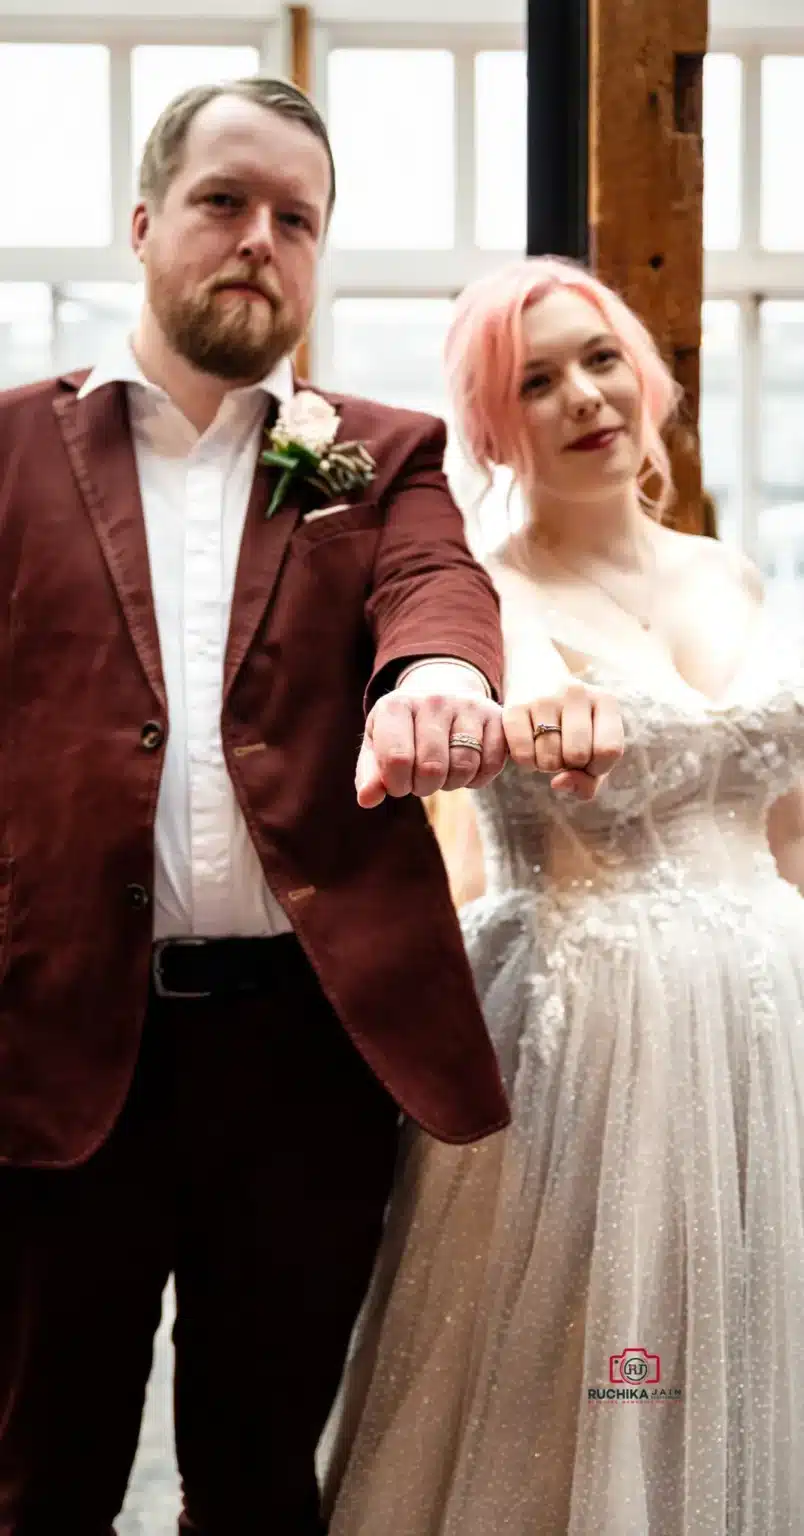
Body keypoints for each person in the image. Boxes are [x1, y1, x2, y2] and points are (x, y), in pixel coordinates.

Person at [0, 83, 624, 1536]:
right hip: (53, 1043)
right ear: (146, 224)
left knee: (265, 1477)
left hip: (300, 1059)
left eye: (298, 219)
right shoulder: (15, 447)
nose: (258, 241)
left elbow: (436, 581)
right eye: (225, 202)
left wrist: (433, 675)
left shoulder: (379, 451)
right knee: (41, 1479)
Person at [324, 256, 804, 1535]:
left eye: (600, 359)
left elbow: (789, 826)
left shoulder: (733, 574)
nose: (585, 396)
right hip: (593, 1037)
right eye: (534, 381)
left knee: (746, 1337)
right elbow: (488, 732)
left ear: (646, 377)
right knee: (598, 1365)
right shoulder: (486, 597)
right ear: (491, 424)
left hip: (771, 1019)